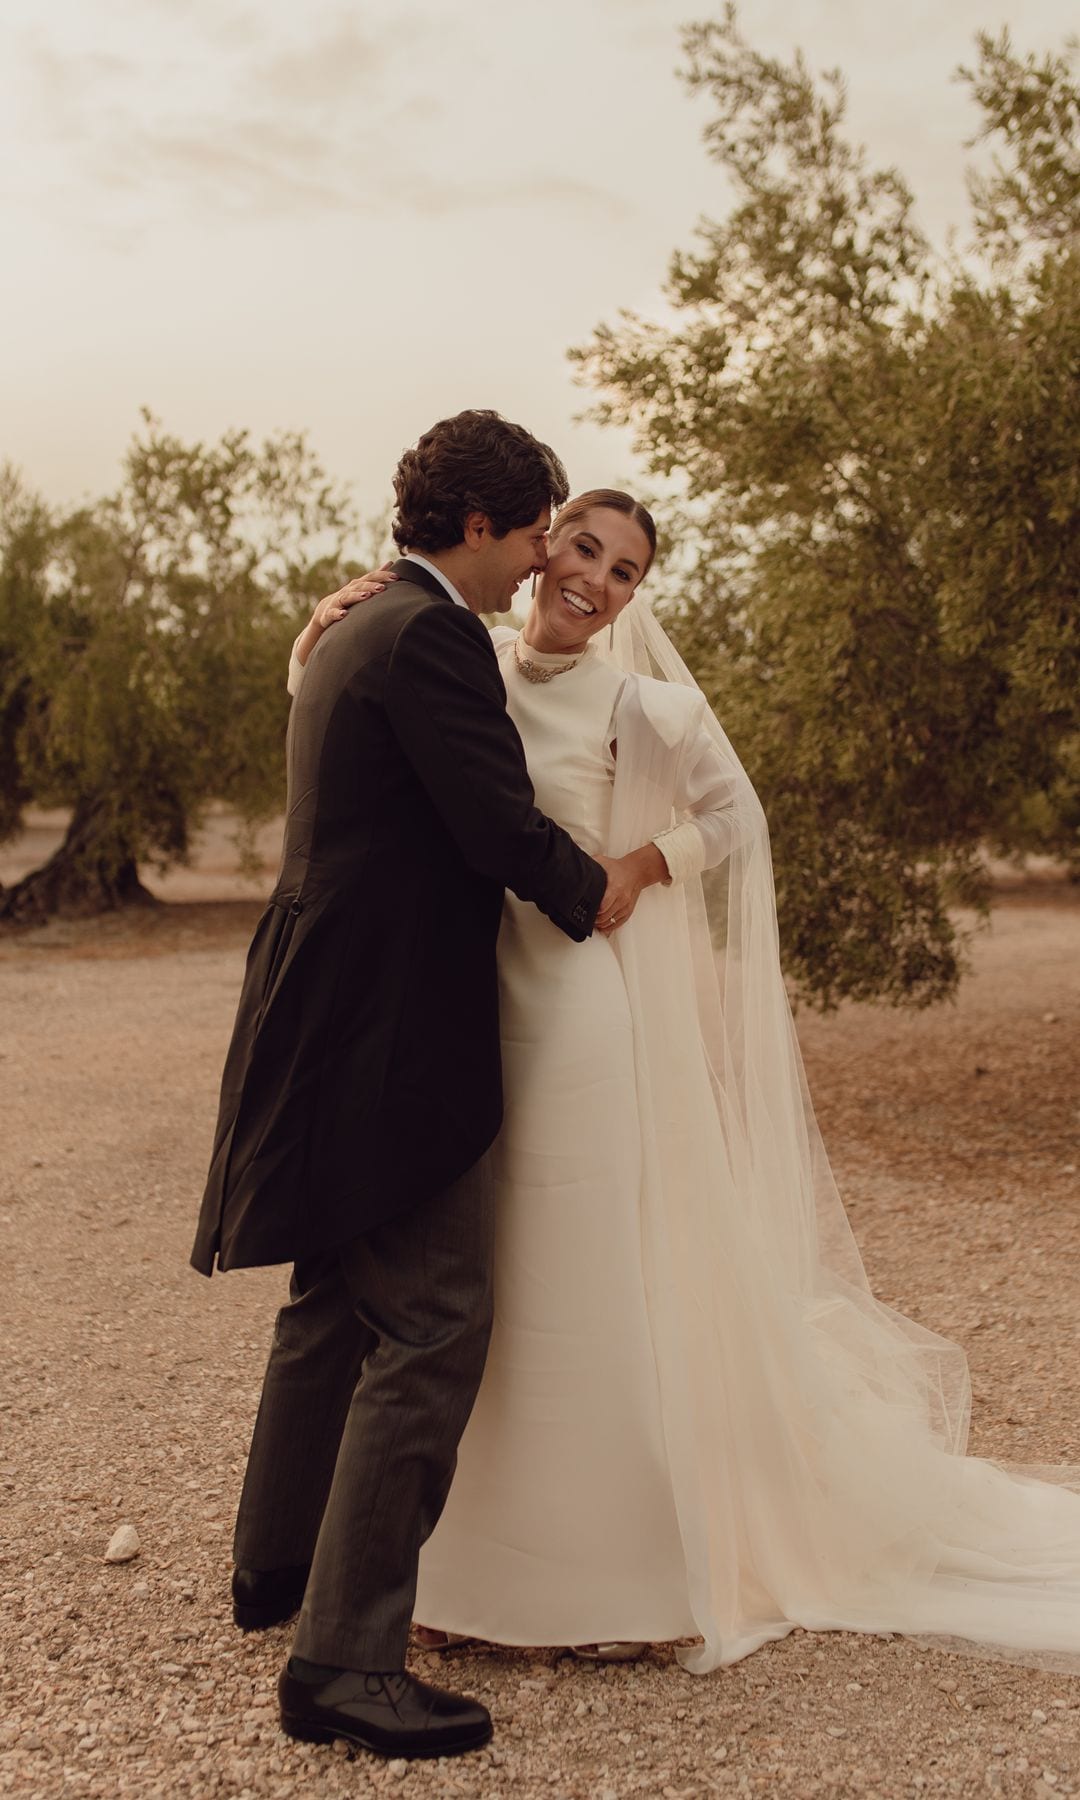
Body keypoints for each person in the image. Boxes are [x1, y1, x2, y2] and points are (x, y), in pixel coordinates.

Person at [294, 488, 1080, 1674]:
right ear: (538, 545)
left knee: (573, 1288)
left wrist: (644, 863)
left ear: (632, 598)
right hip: (460, 1012)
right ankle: (458, 1572)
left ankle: (605, 1583)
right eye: (585, 549)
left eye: (625, 572)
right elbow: (348, 736)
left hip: (570, 1020)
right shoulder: (451, 660)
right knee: (472, 1302)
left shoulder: (641, 703)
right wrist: (314, 635)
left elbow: (736, 816)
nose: (597, 581)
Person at [189, 413, 639, 1764]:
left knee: (335, 1299)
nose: (540, 566)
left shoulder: (357, 625)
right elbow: (495, 818)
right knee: (436, 1321)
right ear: (484, 526)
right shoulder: (433, 632)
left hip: (318, 1003)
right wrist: (593, 890)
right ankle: (343, 1664)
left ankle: (275, 1573)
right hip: (389, 1026)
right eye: (536, 536)